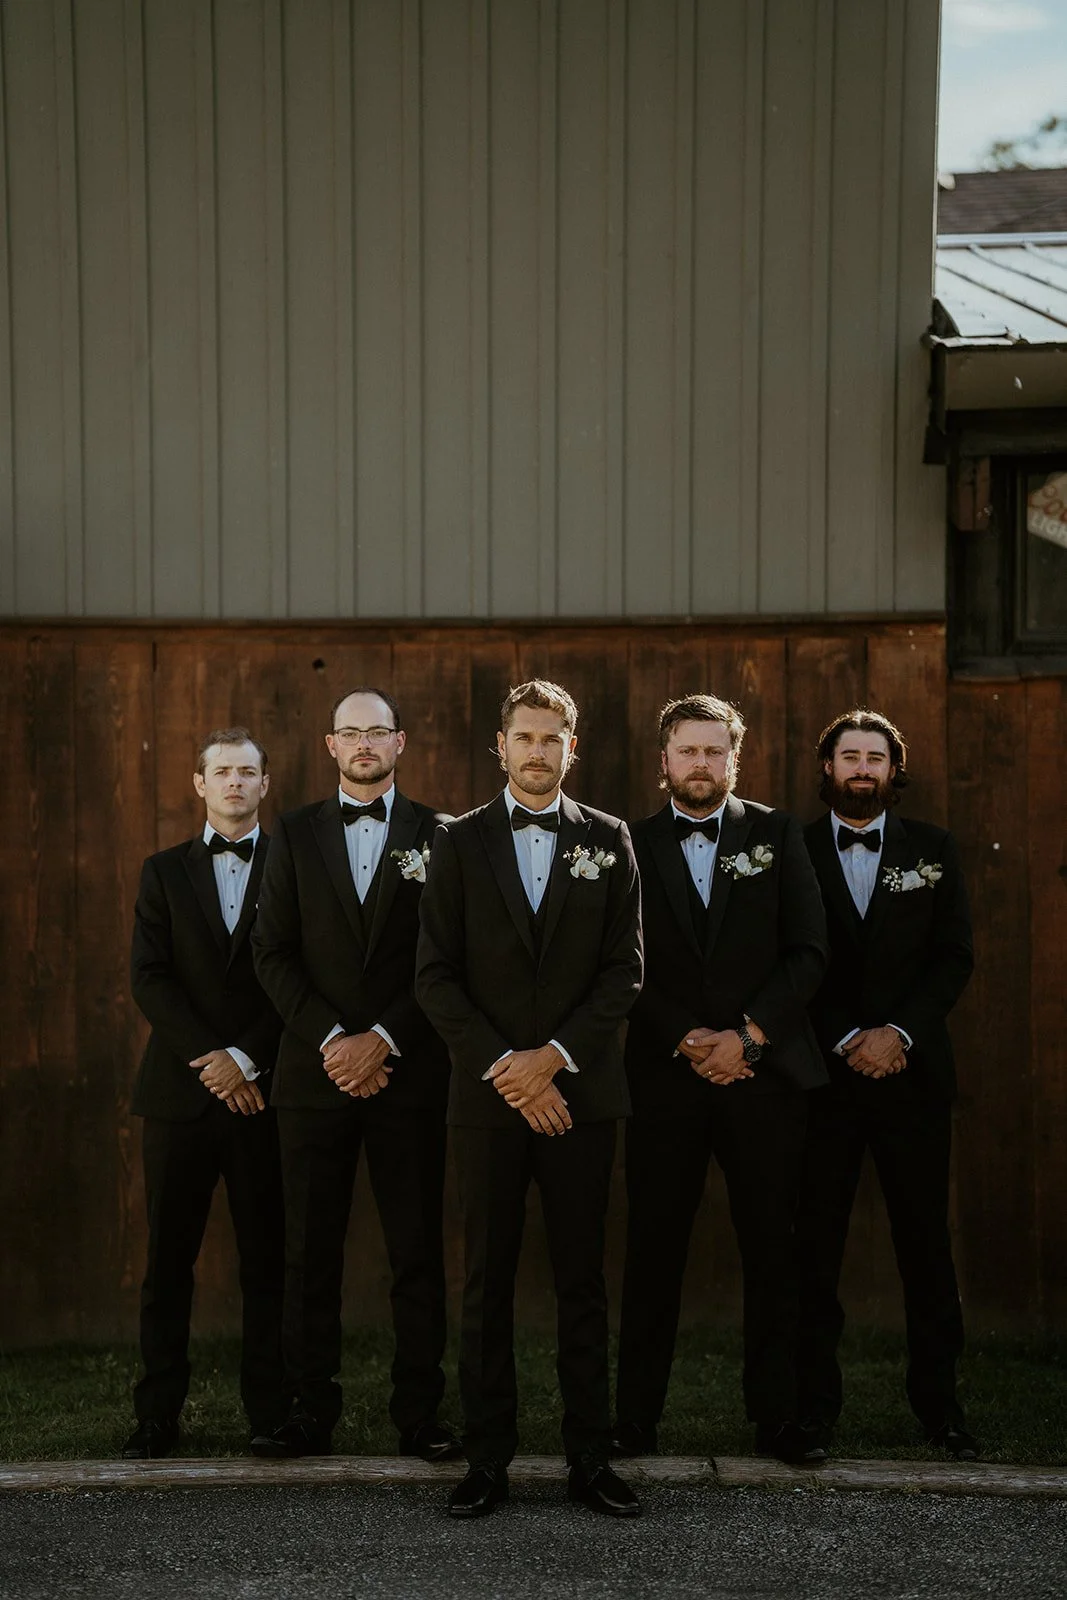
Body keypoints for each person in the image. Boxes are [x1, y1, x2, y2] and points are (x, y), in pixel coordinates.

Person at [416, 680, 643, 1518]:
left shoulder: (610, 840)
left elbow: (624, 970)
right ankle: (486, 1462)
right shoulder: (459, 842)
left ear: (571, 748)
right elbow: (433, 975)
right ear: (500, 747)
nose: (538, 751)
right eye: (525, 737)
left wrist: (551, 1059)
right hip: (488, 1101)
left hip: (581, 1096)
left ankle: (590, 1458)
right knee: (487, 1281)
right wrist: (507, 1069)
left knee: (583, 1280)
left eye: (553, 738)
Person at [613, 695, 830, 1465]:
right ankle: (633, 1419)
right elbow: (620, 965)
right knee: (652, 1252)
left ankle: (778, 1418)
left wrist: (747, 1037)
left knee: (775, 1251)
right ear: (662, 760)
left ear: (734, 760)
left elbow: (807, 950)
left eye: (714, 752)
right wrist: (684, 1036)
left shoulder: (774, 835)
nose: (699, 765)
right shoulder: (628, 843)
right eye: (686, 751)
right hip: (664, 1081)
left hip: (763, 1081)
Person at [250, 688, 457, 1462]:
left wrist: (385, 1038)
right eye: (350, 732)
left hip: (408, 1076)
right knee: (309, 1250)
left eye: (377, 731)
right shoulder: (293, 831)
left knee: (416, 1250)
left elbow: (446, 955)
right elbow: (271, 952)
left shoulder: (442, 833)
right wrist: (336, 1039)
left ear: (400, 742)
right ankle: (309, 1411)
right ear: (330, 745)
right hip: (314, 1076)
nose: (364, 743)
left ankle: (421, 1414)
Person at [796, 709, 977, 1459]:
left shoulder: (932, 849)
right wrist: (845, 1037)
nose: (862, 768)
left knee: (925, 1250)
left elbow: (951, 958)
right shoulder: (795, 848)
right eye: (849, 756)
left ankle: (940, 1408)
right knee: (813, 1251)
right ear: (827, 768)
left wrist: (895, 1034)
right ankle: (810, 1410)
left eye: (874, 757)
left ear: (892, 770)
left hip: (911, 1079)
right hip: (824, 1085)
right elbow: (793, 957)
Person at [124, 728, 286, 1458]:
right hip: (180, 1096)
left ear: (264, 783)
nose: (233, 784)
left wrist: (247, 1059)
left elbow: (298, 975)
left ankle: (269, 1412)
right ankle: (156, 1416)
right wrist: (212, 1059)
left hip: (263, 1095)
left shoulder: (293, 866)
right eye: (220, 772)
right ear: (199, 784)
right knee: (167, 1265)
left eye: (245, 773)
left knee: (267, 1261)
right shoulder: (162, 872)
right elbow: (149, 978)